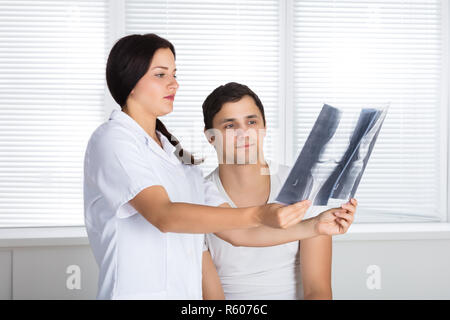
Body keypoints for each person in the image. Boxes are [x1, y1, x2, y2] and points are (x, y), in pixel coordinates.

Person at [83, 33, 357, 300]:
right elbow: (164, 216)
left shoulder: (178, 161)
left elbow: (237, 233)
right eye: (160, 74)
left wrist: (317, 226)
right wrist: (260, 214)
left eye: (175, 74)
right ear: (130, 81)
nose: (174, 84)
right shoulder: (114, 140)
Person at [201, 82, 357, 300]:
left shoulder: (303, 186)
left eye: (251, 122)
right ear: (210, 137)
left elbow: (318, 290)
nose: (243, 133)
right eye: (229, 126)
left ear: (264, 128)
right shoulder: (198, 198)